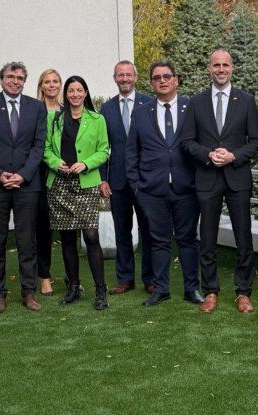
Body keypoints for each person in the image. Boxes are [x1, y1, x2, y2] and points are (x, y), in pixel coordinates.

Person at [181, 49, 258, 314]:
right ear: (209, 68)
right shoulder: (196, 102)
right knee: (207, 238)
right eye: (216, 65)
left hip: (237, 177)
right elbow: (187, 141)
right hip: (207, 178)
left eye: (225, 65)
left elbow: (256, 141)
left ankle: (243, 292)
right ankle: (210, 291)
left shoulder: (246, 100)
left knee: (243, 238)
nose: (221, 69)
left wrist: (233, 156)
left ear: (232, 68)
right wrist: (208, 155)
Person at [126, 61, 203, 307]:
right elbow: (132, 151)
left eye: (167, 76)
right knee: (158, 241)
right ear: (151, 83)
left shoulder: (191, 107)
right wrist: (136, 185)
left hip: (187, 187)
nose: (162, 80)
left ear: (176, 80)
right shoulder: (141, 113)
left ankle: (192, 289)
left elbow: (201, 144)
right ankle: (161, 289)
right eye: (157, 77)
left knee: (187, 239)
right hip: (151, 189)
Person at [0, 62, 48, 314]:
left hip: (27, 185)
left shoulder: (36, 107)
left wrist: (23, 175)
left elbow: (39, 145)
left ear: (24, 82)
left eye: (19, 78)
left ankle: (29, 292)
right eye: (10, 76)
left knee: (27, 240)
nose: (15, 81)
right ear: (1, 79)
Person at [43, 76, 110, 310]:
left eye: (79, 90)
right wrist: (55, 163)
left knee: (91, 236)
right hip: (60, 184)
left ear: (85, 93)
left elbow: (104, 150)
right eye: (70, 90)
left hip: (86, 184)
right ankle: (73, 287)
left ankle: (100, 290)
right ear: (66, 94)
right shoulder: (54, 118)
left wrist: (86, 164)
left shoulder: (97, 119)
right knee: (67, 238)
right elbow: (46, 149)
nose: (75, 94)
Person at [99, 61, 154, 295]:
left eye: (128, 75)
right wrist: (102, 179)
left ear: (135, 77)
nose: (124, 79)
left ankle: (150, 279)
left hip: (145, 179)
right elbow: (102, 147)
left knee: (148, 231)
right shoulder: (106, 109)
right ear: (115, 78)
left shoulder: (149, 104)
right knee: (122, 231)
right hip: (117, 180)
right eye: (120, 75)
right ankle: (125, 279)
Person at [34, 68, 63, 296]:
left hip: (67, 174)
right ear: (41, 86)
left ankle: (72, 277)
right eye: (47, 81)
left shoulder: (68, 110)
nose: (51, 85)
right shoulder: (34, 110)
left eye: (55, 81)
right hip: (41, 174)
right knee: (43, 228)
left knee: (68, 230)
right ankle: (44, 277)